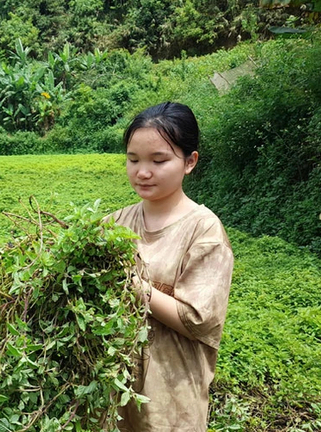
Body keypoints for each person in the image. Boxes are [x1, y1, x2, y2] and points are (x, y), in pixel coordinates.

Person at [109, 102, 234, 431]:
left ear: (189, 162)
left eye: (158, 160)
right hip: (115, 391)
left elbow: (197, 320)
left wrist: (133, 285)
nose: (142, 172)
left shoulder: (204, 232)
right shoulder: (115, 223)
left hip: (171, 398)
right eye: (133, 160)